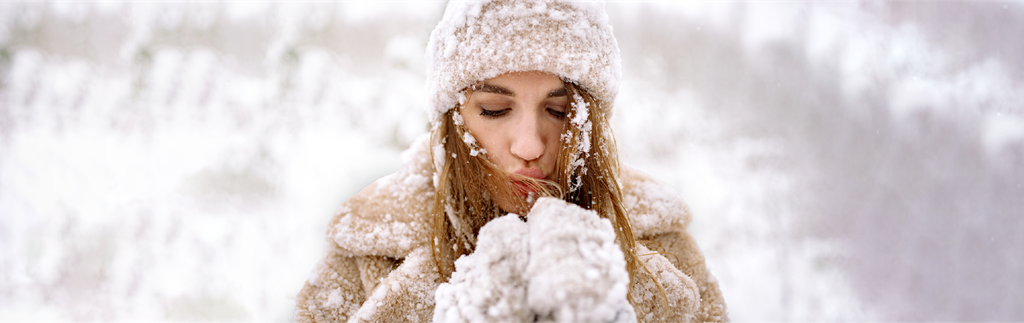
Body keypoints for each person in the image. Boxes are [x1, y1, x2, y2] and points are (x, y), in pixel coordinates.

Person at [294, 1, 727, 322]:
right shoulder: (367, 252)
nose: (529, 146)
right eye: (495, 110)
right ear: (452, 121)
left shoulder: (661, 245)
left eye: (558, 112)